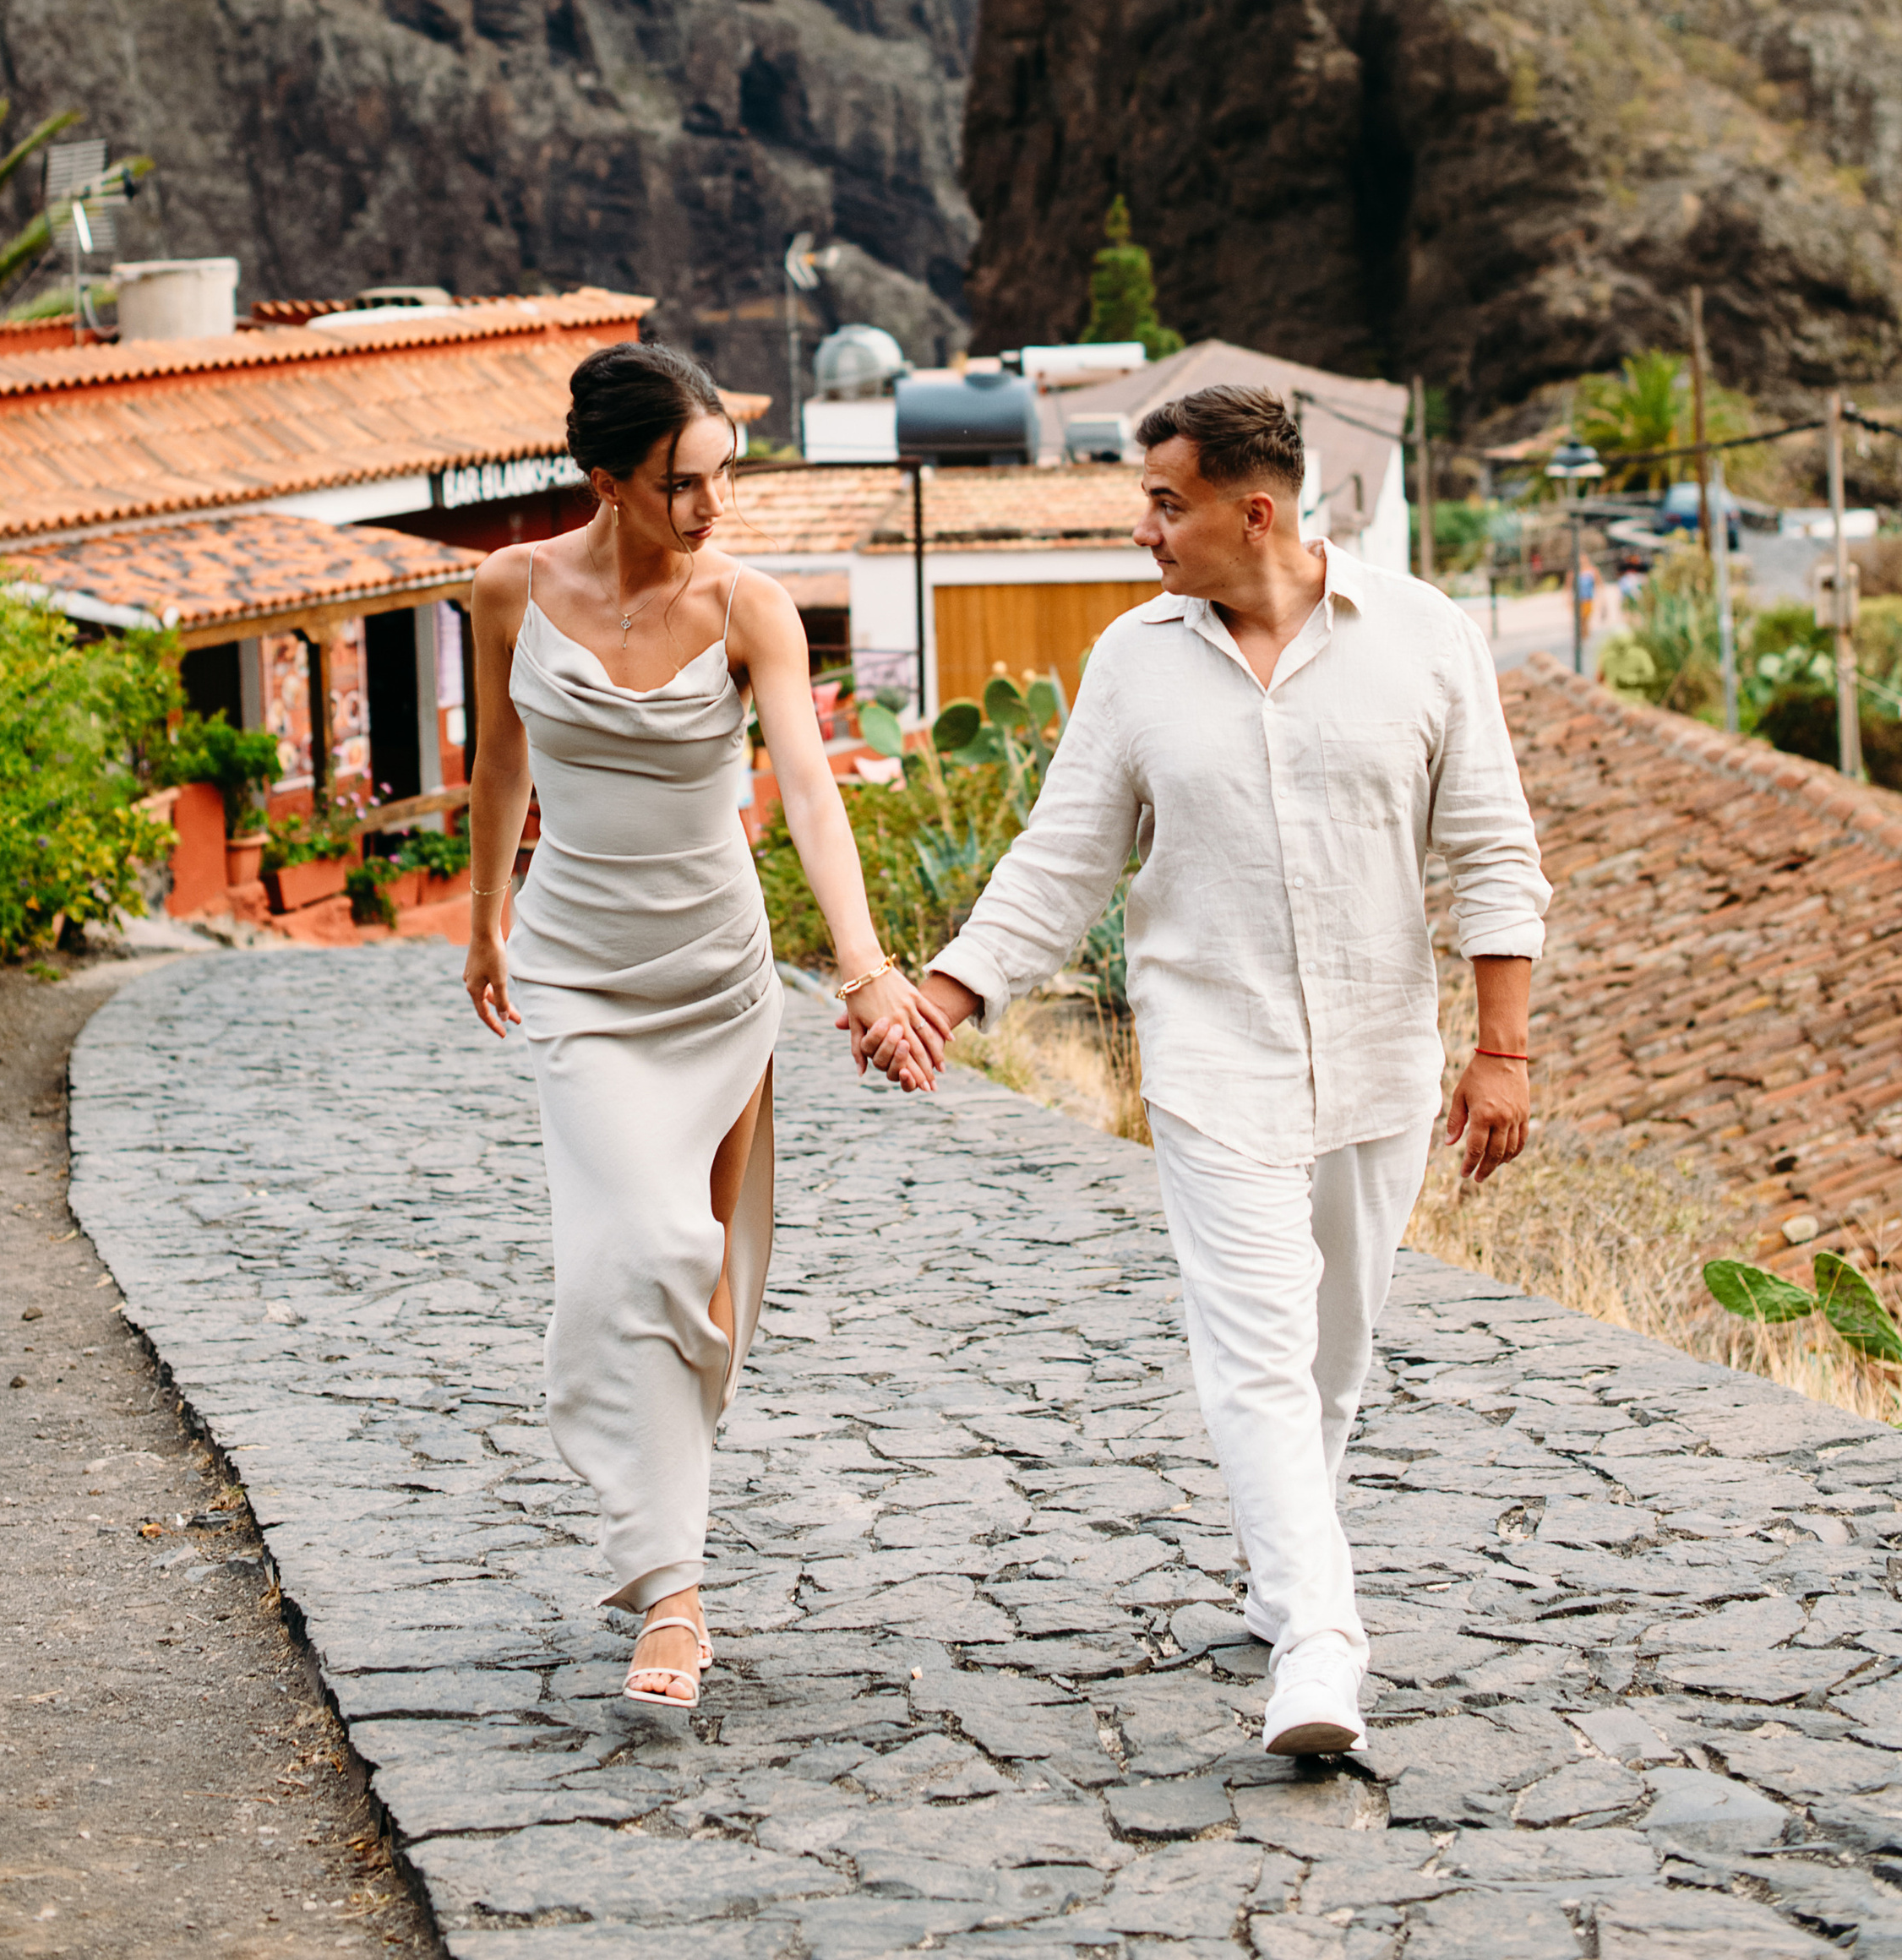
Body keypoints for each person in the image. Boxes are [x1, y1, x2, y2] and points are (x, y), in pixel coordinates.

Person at [868, 382, 1547, 1761]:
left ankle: (1276, 1573)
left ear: (1258, 509)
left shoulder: (1424, 639)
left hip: (1376, 1059)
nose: (1145, 529)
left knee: (1333, 1358)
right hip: (1209, 1058)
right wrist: (944, 995)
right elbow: (1062, 861)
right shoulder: (1134, 661)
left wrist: (1503, 1051)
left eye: (1166, 503)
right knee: (1252, 1357)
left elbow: (1491, 850)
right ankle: (1319, 1640)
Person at [464, 341, 945, 1722]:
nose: (711, 508)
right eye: (683, 484)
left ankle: (665, 1539)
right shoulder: (512, 589)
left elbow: (807, 784)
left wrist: (861, 970)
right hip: (576, 976)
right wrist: (485, 917)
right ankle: (669, 1591)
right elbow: (503, 763)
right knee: (644, 1251)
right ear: (603, 481)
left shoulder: (750, 607)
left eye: (722, 475)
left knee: (692, 1284)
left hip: (715, 977)